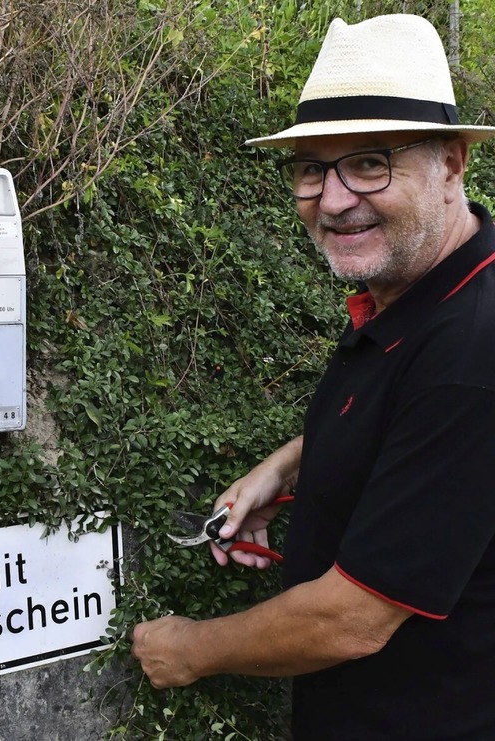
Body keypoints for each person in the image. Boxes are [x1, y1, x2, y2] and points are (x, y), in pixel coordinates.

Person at [130, 13, 495, 741]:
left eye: (368, 163)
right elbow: (400, 416)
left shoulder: (473, 353)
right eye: (310, 167)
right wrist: (285, 464)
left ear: (452, 162)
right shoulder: (420, 287)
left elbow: (352, 618)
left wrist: (189, 650)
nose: (331, 199)